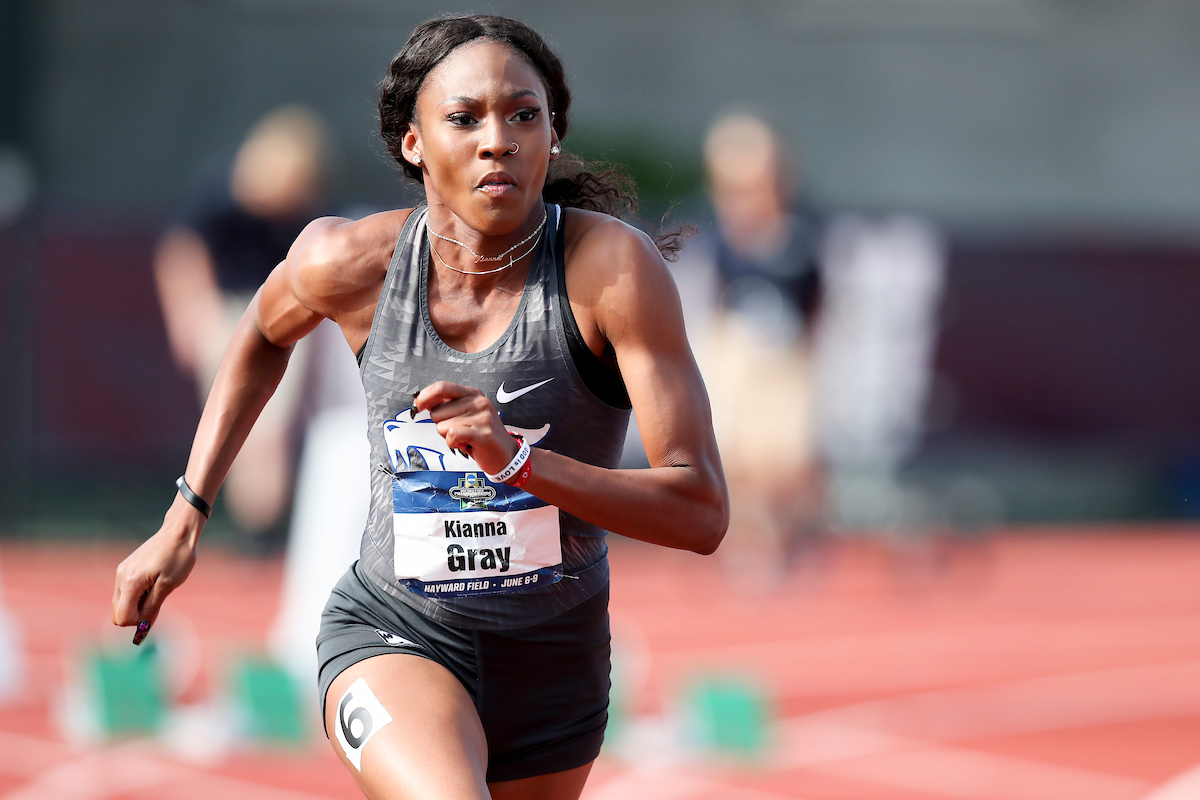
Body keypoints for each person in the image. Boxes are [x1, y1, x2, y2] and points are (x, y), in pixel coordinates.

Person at [112, 15, 727, 800]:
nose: (496, 139)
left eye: (523, 115)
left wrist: (520, 463)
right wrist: (185, 515)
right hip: (394, 631)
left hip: (555, 663)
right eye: (465, 118)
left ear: (553, 134)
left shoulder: (609, 273)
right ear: (413, 143)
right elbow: (261, 334)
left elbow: (701, 511)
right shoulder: (351, 261)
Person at [153, 105, 331, 546]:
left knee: (272, 429)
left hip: (283, 318)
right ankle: (252, 522)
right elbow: (180, 253)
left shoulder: (302, 206)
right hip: (228, 314)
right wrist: (189, 317)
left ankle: (262, 528)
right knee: (232, 426)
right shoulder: (222, 193)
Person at [689, 113, 823, 586]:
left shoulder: (803, 230)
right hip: (737, 350)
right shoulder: (721, 230)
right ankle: (753, 548)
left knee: (784, 462)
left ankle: (794, 541)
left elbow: (816, 300)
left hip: (785, 357)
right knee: (739, 458)